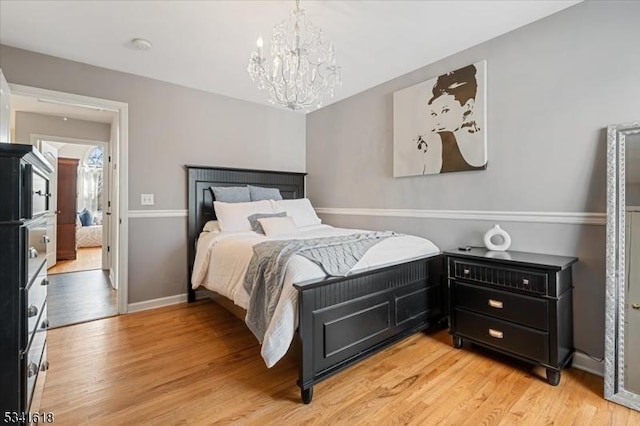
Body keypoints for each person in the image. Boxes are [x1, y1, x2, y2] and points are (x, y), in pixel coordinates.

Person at [418, 64, 486, 174]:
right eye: (434, 114)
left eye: (445, 111)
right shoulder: (436, 140)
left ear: (468, 107)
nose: (438, 121)